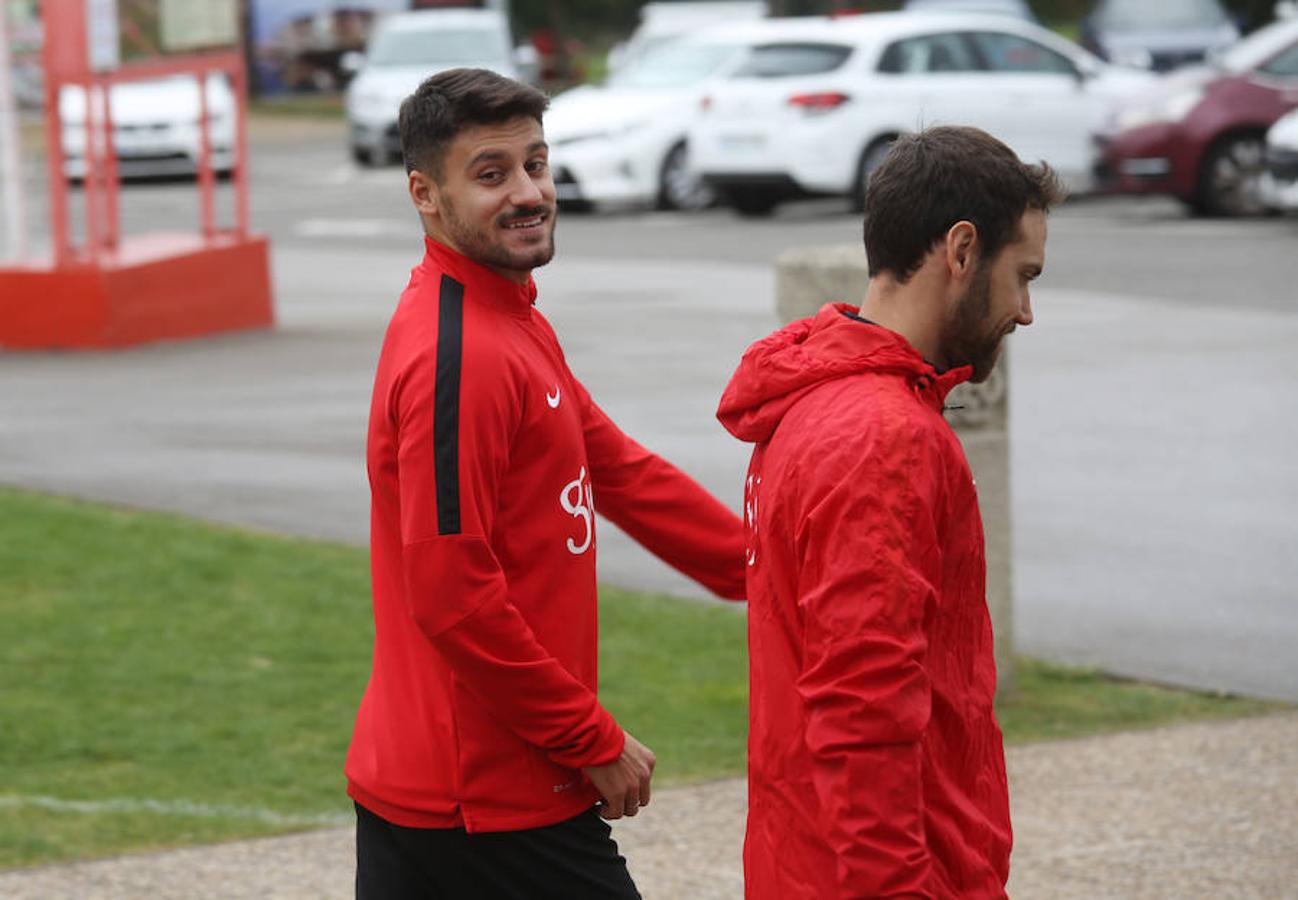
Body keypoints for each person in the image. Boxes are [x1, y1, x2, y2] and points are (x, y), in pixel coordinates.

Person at [346, 68, 746, 899]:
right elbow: (452, 594)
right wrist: (590, 738)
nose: (528, 192)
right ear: (425, 193)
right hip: (478, 801)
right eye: (491, 174)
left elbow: (615, 469)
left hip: (483, 788)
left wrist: (764, 564)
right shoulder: (460, 355)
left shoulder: (511, 317)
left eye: (537, 163)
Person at [717, 126, 1064, 898]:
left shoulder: (814, 402)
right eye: (1023, 275)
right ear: (962, 250)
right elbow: (862, 709)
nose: (1026, 311)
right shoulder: (884, 437)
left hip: (802, 861)